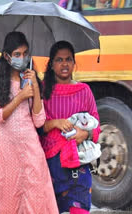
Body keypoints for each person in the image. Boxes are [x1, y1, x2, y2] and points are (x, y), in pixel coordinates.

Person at [0, 31, 59, 213]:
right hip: (6, 152)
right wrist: (20, 97)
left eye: (25, 54)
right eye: (17, 54)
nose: (22, 58)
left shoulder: (30, 79)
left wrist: (36, 89)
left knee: (36, 200)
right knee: (7, 202)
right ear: (7, 56)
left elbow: (39, 121)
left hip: (31, 150)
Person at [41, 41, 101, 214]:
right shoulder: (42, 92)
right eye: (59, 60)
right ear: (51, 64)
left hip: (79, 166)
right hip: (51, 168)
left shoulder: (84, 91)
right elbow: (36, 127)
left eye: (68, 59)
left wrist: (85, 133)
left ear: (74, 63)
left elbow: (97, 127)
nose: (64, 64)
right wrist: (56, 122)